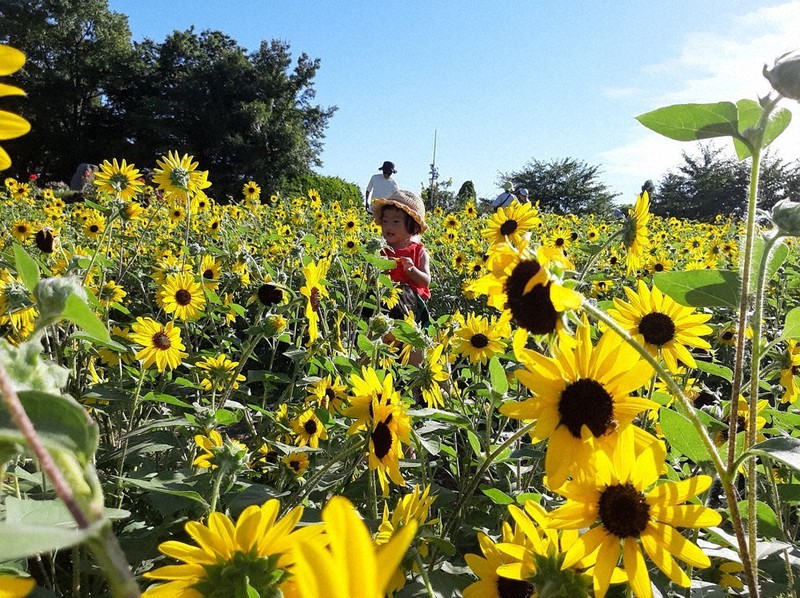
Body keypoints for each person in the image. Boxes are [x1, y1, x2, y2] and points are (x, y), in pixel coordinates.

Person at [372, 189, 431, 325]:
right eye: (385, 221)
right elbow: (370, 281)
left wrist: (412, 270)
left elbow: (425, 281)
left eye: (396, 222)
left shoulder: (419, 252)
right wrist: (381, 271)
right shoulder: (380, 249)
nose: (388, 226)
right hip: (382, 301)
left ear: (412, 226)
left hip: (410, 306)